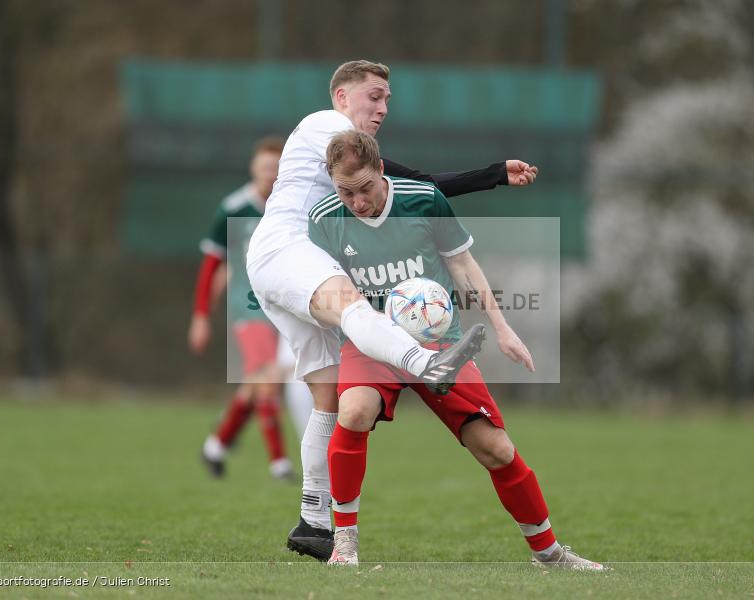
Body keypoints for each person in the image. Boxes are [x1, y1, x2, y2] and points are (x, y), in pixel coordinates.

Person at [245, 60, 540, 559]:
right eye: (374, 96)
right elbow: (405, 179)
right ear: (341, 96)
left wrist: (493, 175)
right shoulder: (327, 125)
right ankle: (426, 364)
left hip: (279, 261)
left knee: (329, 398)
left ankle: (313, 523)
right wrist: (492, 174)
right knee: (357, 311)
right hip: (287, 250)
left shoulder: (347, 148)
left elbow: (407, 185)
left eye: (386, 99)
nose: (382, 108)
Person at [311, 130, 605, 571]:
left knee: (496, 449)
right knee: (353, 411)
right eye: (345, 191)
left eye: (365, 188)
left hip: (439, 344)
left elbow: (462, 264)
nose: (357, 201)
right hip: (370, 343)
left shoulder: (423, 200)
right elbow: (317, 288)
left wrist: (502, 328)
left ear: (381, 170)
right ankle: (344, 545)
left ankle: (549, 553)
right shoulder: (324, 219)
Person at [189, 136, 301, 480]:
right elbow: (212, 263)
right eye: (265, 167)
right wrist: (201, 315)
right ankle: (279, 463)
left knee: (255, 383)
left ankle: (216, 445)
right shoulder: (234, 207)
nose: (270, 174)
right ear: (254, 168)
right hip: (248, 306)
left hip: (284, 307)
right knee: (267, 379)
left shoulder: (291, 207)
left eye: (276, 167)